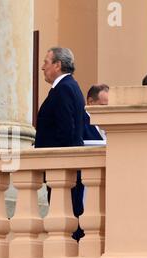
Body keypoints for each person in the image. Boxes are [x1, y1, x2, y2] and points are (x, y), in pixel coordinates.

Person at [34, 47, 85, 241]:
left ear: (58, 65)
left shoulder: (63, 89)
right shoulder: (69, 86)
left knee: (67, 214)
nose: (42, 67)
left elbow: (66, 130)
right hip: (64, 166)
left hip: (63, 167)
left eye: (46, 62)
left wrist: (59, 161)